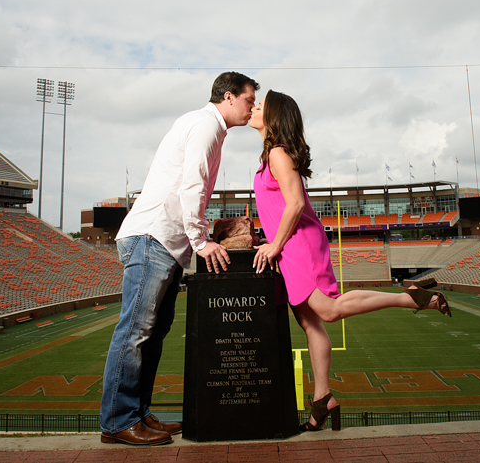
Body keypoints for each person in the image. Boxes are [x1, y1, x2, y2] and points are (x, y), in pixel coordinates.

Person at [249, 90, 450, 432]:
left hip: (298, 244)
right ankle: (323, 399)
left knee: (327, 310)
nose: (253, 108)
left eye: (259, 105)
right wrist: (272, 241)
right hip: (286, 246)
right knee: (310, 324)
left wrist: (275, 244)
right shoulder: (270, 155)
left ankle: (413, 297)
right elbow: (281, 207)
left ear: (273, 117)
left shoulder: (279, 154)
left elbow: (296, 204)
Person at [100, 72, 259, 446]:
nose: (252, 107)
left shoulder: (208, 127)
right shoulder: (205, 125)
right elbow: (191, 185)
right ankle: (117, 421)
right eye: (249, 99)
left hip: (166, 243)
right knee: (136, 332)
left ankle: (137, 414)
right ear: (229, 96)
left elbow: (194, 190)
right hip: (153, 237)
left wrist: (203, 233)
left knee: (153, 335)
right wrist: (201, 240)